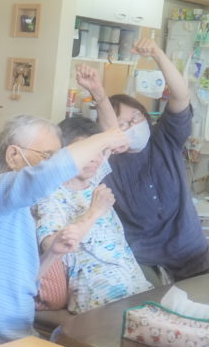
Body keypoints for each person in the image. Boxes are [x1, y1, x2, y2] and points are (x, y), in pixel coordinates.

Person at [0, 114, 129, 347]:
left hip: (12, 338)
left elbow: (25, 281)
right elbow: (53, 172)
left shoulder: (21, 209)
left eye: (55, 157)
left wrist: (53, 254)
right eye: (47, 156)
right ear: (13, 156)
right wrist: (107, 137)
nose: (52, 165)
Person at [77, 39, 209, 281]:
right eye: (123, 124)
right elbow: (110, 131)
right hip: (141, 259)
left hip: (189, 250)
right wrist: (98, 94)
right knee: (146, 301)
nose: (132, 125)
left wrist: (157, 54)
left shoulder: (165, 139)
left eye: (136, 117)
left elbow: (181, 96)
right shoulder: (107, 162)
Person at [34, 117, 152, 314]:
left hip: (136, 285)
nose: (96, 159)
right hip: (98, 296)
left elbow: (111, 134)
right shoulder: (51, 195)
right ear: (65, 155)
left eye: (100, 152)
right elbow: (49, 245)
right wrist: (94, 212)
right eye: (88, 152)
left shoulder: (93, 178)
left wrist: (100, 98)